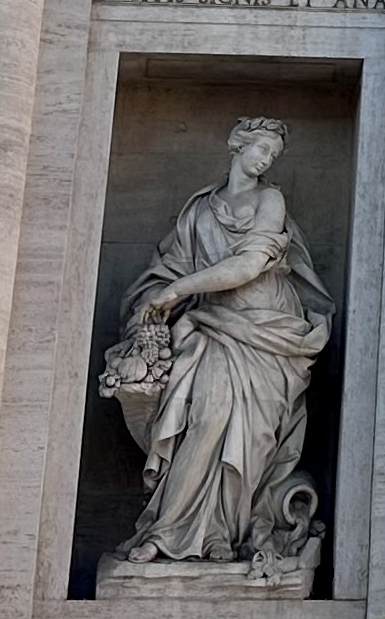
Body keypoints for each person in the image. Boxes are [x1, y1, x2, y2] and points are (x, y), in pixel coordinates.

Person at [117, 118, 337, 564]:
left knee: (253, 438)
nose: (265, 160)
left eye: (272, 156)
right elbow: (172, 266)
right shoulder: (199, 211)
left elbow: (247, 266)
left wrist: (176, 292)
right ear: (238, 145)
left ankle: (225, 534)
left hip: (268, 334)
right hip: (214, 326)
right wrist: (154, 301)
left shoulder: (269, 200)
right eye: (261, 149)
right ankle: (169, 532)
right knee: (207, 419)